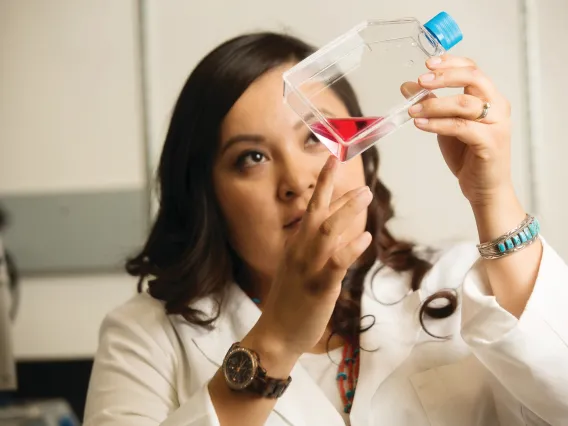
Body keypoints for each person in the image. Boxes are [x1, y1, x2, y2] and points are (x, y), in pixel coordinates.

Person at [83, 32, 568, 426]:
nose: (297, 182)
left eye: (319, 136)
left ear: (365, 153)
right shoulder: (145, 336)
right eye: (251, 158)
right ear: (205, 194)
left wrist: (493, 197)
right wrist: (275, 338)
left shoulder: (457, 282)